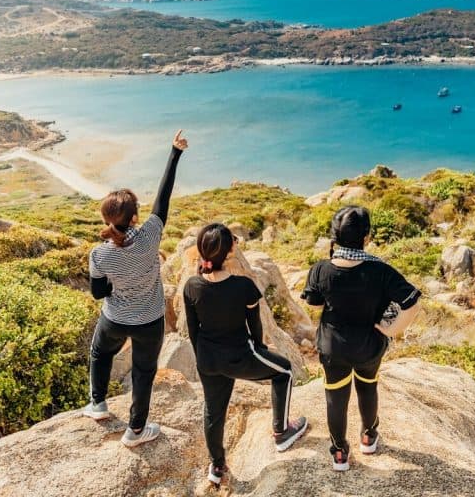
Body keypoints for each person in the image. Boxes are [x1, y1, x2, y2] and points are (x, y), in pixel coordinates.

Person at [81, 130, 188, 448]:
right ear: (135, 218)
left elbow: (98, 293)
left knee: (100, 353)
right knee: (143, 372)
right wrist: (175, 153)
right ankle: (136, 430)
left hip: (114, 318)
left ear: (105, 219)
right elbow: (163, 199)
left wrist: (118, 285)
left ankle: (98, 404)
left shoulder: (99, 254)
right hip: (149, 321)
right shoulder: (150, 236)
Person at [183, 223, 309, 486]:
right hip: (240, 356)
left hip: (208, 359)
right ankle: (282, 431)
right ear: (229, 252)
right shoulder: (243, 286)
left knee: (213, 411)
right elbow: (255, 325)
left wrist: (203, 358)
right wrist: (260, 349)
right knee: (284, 371)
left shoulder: (192, 286)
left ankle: (217, 466)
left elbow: (193, 330)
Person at [301, 205, 421, 471]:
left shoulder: (320, 269)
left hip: (333, 347)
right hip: (369, 346)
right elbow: (412, 303)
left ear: (334, 236)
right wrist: (391, 330)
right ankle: (368, 436)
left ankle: (339, 452)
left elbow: (314, 303)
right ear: (366, 237)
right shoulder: (382, 271)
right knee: (367, 387)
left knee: (335, 397)